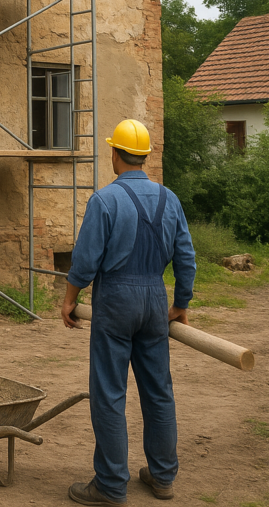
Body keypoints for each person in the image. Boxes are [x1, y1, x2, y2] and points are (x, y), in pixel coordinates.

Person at [61, 119, 196, 505]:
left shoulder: (104, 200)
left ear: (115, 154)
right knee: (159, 393)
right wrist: (180, 304)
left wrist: (70, 298)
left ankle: (110, 485)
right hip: (155, 298)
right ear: (146, 157)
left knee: (108, 395)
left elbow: (85, 262)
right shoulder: (170, 200)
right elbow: (186, 258)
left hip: (116, 301)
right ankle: (162, 476)